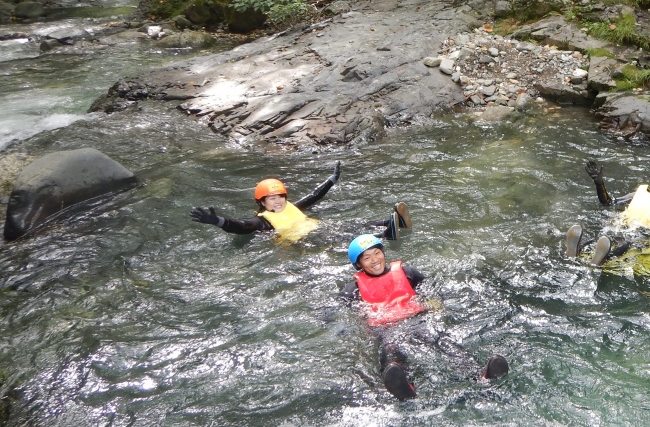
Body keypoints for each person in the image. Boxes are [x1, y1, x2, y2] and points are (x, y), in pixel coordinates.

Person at [344, 234, 509, 401]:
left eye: (377, 253)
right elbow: (347, 316)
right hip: (388, 329)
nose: (374, 260)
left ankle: (480, 374)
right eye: (367, 257)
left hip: (417, 320)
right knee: (391, 352)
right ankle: (404, 386)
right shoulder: (353, 290)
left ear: (383, 253)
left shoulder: (408, 273)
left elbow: (431, 292)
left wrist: (435, 308)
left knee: (442, 341)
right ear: (358, 264)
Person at [190, 163, 343, 241]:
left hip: (320, 232)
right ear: (262, 203)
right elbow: (241, 227)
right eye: (272, 198)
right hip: (298, 244)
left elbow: (314, 195)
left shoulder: (292, 207)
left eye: (280, 197)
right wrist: (218, 221)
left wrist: (332, 179)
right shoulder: (260, 222)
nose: (278, 202)